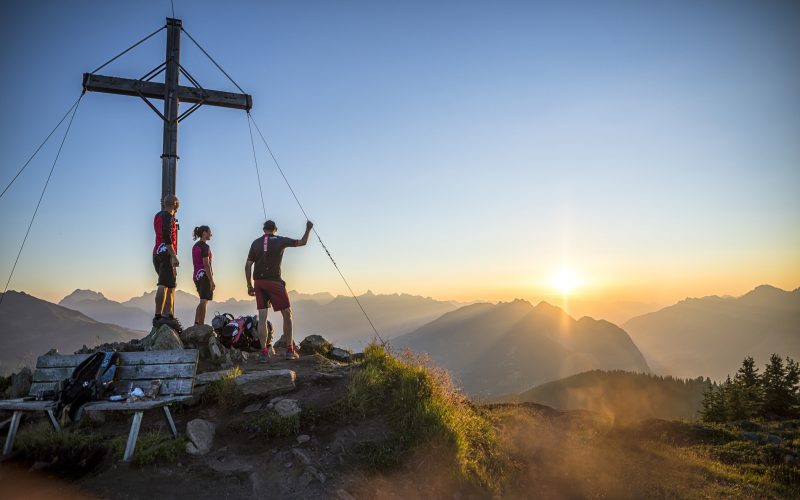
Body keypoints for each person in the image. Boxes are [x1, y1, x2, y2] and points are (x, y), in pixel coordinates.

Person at [245, 219, 313, 362]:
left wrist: (249, 286)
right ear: (275, 229)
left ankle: (264, 352)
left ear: (264, 230)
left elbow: (247, 266)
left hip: (259, 283)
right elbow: (302, 242)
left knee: (262, 317)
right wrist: (308, 229)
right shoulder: (280, 240)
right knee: (287, 314)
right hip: (274, 281)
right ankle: (289, 350)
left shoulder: (255, 243)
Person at [153, 194, 181, 331]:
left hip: (157, 252)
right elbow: (167, 237)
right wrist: (174, 256)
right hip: (166, 254)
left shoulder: (157, 215)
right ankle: (158, 316)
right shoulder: (168, 218)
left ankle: (168, 314)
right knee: (163, 284)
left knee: (170, 285)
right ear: (175, 205)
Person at [192, 225, 215, 325]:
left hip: (196, 275)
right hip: (204, 275)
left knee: (202, 300)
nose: (211, 234)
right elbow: (206, 264)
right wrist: (211, 280)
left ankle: (196, 322)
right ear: (204, 233)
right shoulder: (205, 247)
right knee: (204, 301)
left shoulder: (195, 246)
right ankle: (201, 325)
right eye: (210, 232)